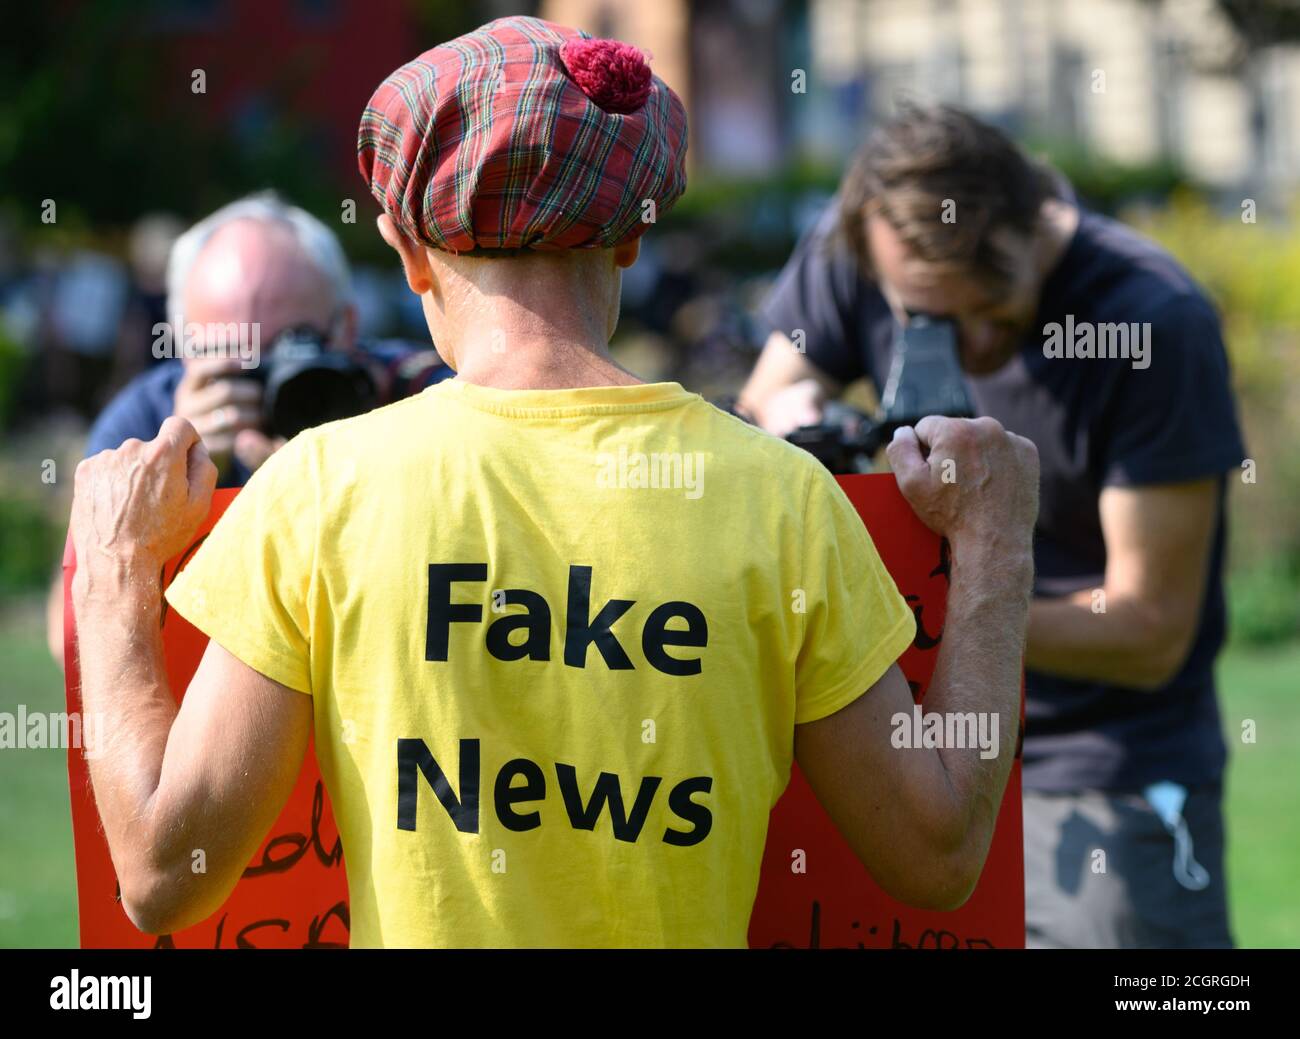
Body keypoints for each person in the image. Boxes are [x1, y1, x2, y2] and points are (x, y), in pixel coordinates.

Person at [68, 17, 1038, 948]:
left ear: (406, 254)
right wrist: (994, 543)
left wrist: (114, 575)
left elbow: (162, 875)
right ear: (627, 238)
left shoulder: (320, 491)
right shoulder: (782, 499)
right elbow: (936, 855)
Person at [739, 102, 1246, 949]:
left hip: (1097, 770)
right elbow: (768, 397)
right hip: (898, 757)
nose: (970, 349)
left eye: (998, 313)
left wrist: (972, 607)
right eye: (929, 318)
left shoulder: (1153, 321)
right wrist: (789, 422)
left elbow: (1150, 628)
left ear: (1036, 215)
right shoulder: (860, 243)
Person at [46, 193, 450, 665]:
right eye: (236, 357)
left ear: (346, 329)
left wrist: (333, 489)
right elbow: (69, 637)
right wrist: (188, 481)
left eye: (292, 348)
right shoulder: (148, 423)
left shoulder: (410, 392)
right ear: (182, 343)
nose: (269, 379)